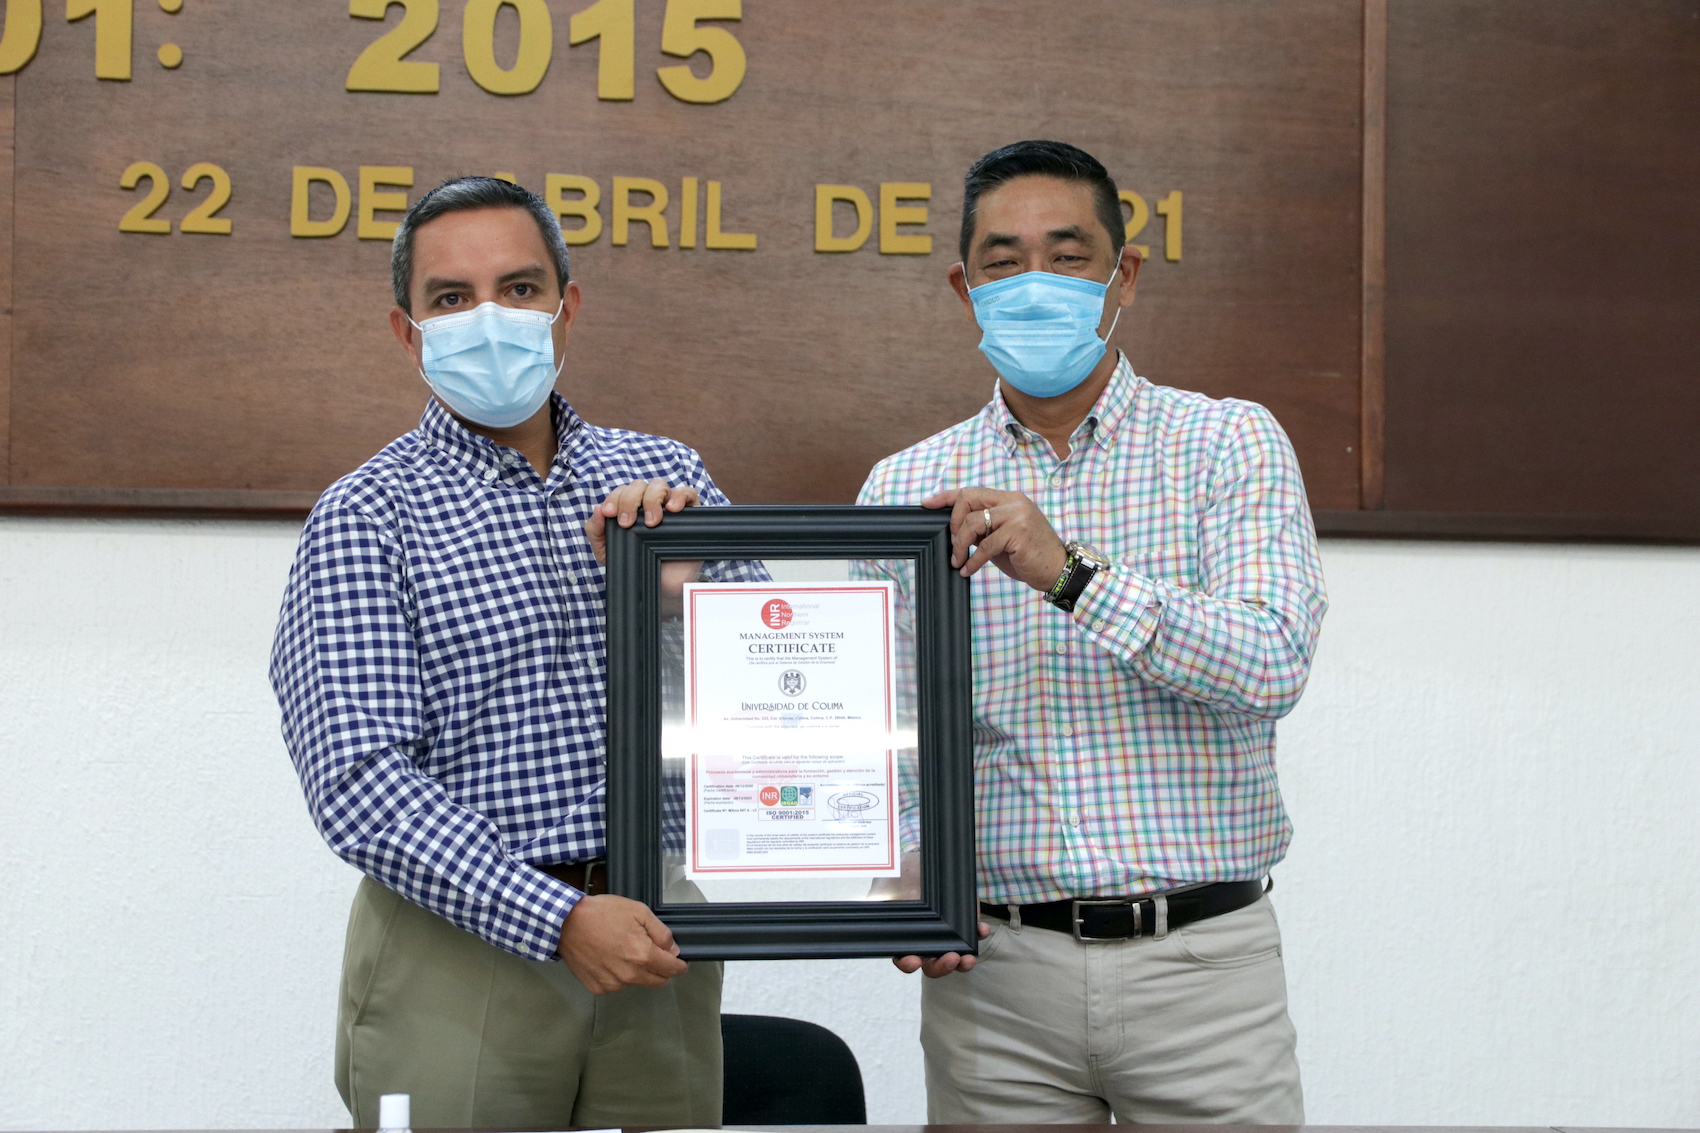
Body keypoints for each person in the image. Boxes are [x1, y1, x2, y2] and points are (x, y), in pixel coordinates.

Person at [270, 176, 755, 1129]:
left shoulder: (668, 481)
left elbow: (785, 701)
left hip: (657, 938)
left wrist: (683, 598)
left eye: (520, 288)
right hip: (460, 954)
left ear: (566, 309)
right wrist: (558, 917)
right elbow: (359, 779)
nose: (489, 318)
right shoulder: (367, 514)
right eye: (452, 297)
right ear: (409, 332)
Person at [859, 140, 1327, 1124]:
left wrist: (1068, 573)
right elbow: (877, 729)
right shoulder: (905, 486)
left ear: (1125, 274)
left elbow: (1273, 659)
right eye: (1003, 262)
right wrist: (900, 865)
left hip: (1202, 971)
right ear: (964, 288)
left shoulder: (1226, 442)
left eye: (1068, 256)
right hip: (995, 978)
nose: (1035, 283)